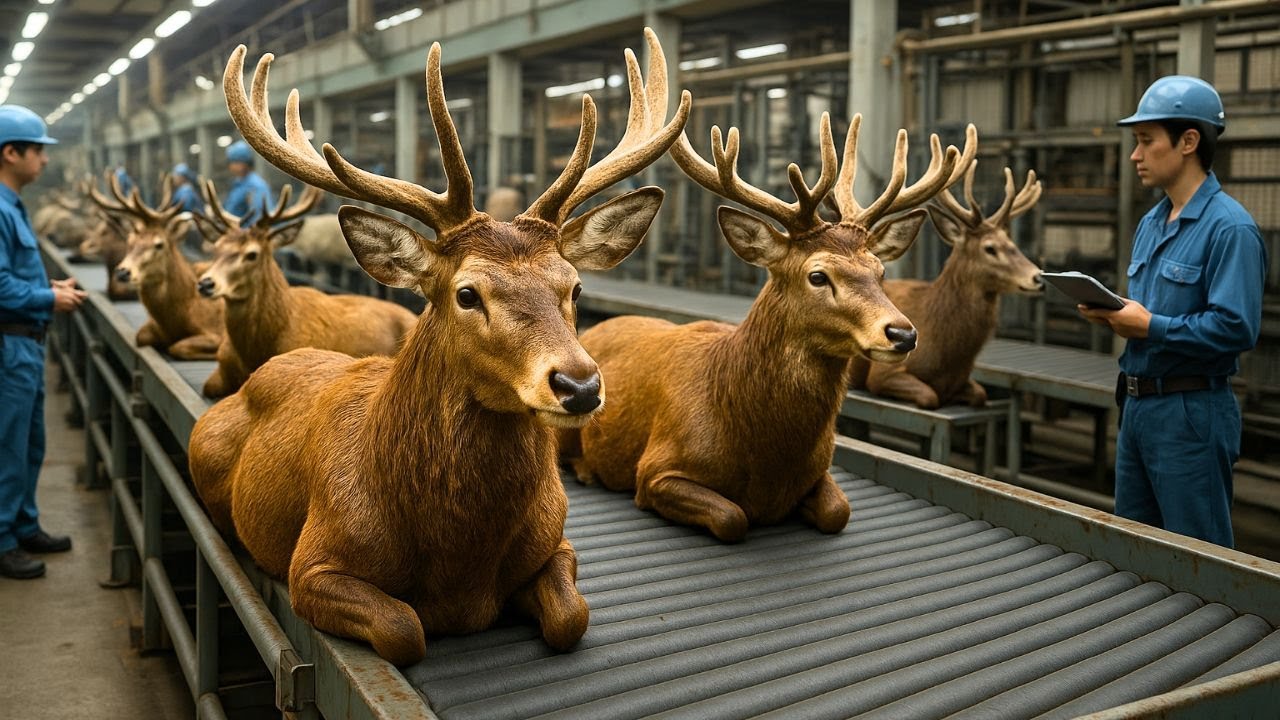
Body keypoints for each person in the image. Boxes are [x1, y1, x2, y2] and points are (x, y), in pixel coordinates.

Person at [1079, 76, 1267, 548]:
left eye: (1145, 141)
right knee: (1135, 551)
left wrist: (1149, 326)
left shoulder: (1231, 229)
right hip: (1138, 405)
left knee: (1196, 555)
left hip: (1190, 413)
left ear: (1189, 141)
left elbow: (1235, 327)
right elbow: (1149, 310)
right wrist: (1114, 312)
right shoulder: (1152, 222)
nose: (1135, 155)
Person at [0, 104, 88, 579]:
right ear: (10, 152)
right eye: (37, 150)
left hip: (26, 342)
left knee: (30, 443)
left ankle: (23, 524)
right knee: (7, 446)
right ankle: (2, 541)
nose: (45, 160)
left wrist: (50, 290)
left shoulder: (12, 205)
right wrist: (45, 298)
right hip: (8, 345)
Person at [222, 140, 273, 225]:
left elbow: (259, 219)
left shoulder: (256, 185)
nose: (231, 166)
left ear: (244, 163)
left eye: (235, 162)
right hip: (233, 231)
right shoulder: (238, 183)